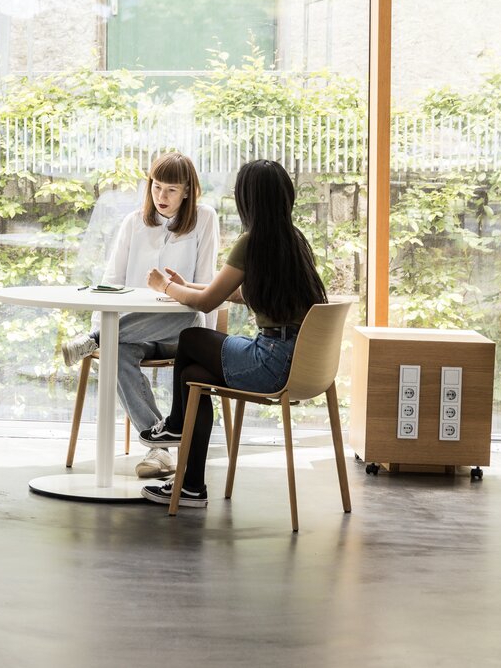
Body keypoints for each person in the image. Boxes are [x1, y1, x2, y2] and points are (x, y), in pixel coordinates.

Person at [138, 159, 327, 508]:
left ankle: (176, 426)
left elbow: (207, 303)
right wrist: (185, 285)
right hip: (300, 362)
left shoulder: (251, 242)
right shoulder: (293, 241)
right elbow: (240, 291)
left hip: (270, 363)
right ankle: (191, 486)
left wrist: (164, 284)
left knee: (192, 339)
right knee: (193, 375)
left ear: (247, 199)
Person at [60, 152, 219, 478]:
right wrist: (104, 326)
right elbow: (111, 281)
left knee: (190, 318)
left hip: (182, 331)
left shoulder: (205, 219)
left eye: (171, 190)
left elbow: (206, 289)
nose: (162, 196)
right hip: (135, 333)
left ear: (188, 190)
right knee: (115, 354)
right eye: (156, 187)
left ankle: (93, 340)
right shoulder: (134, 222)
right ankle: (158, 445)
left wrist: (209, 349)